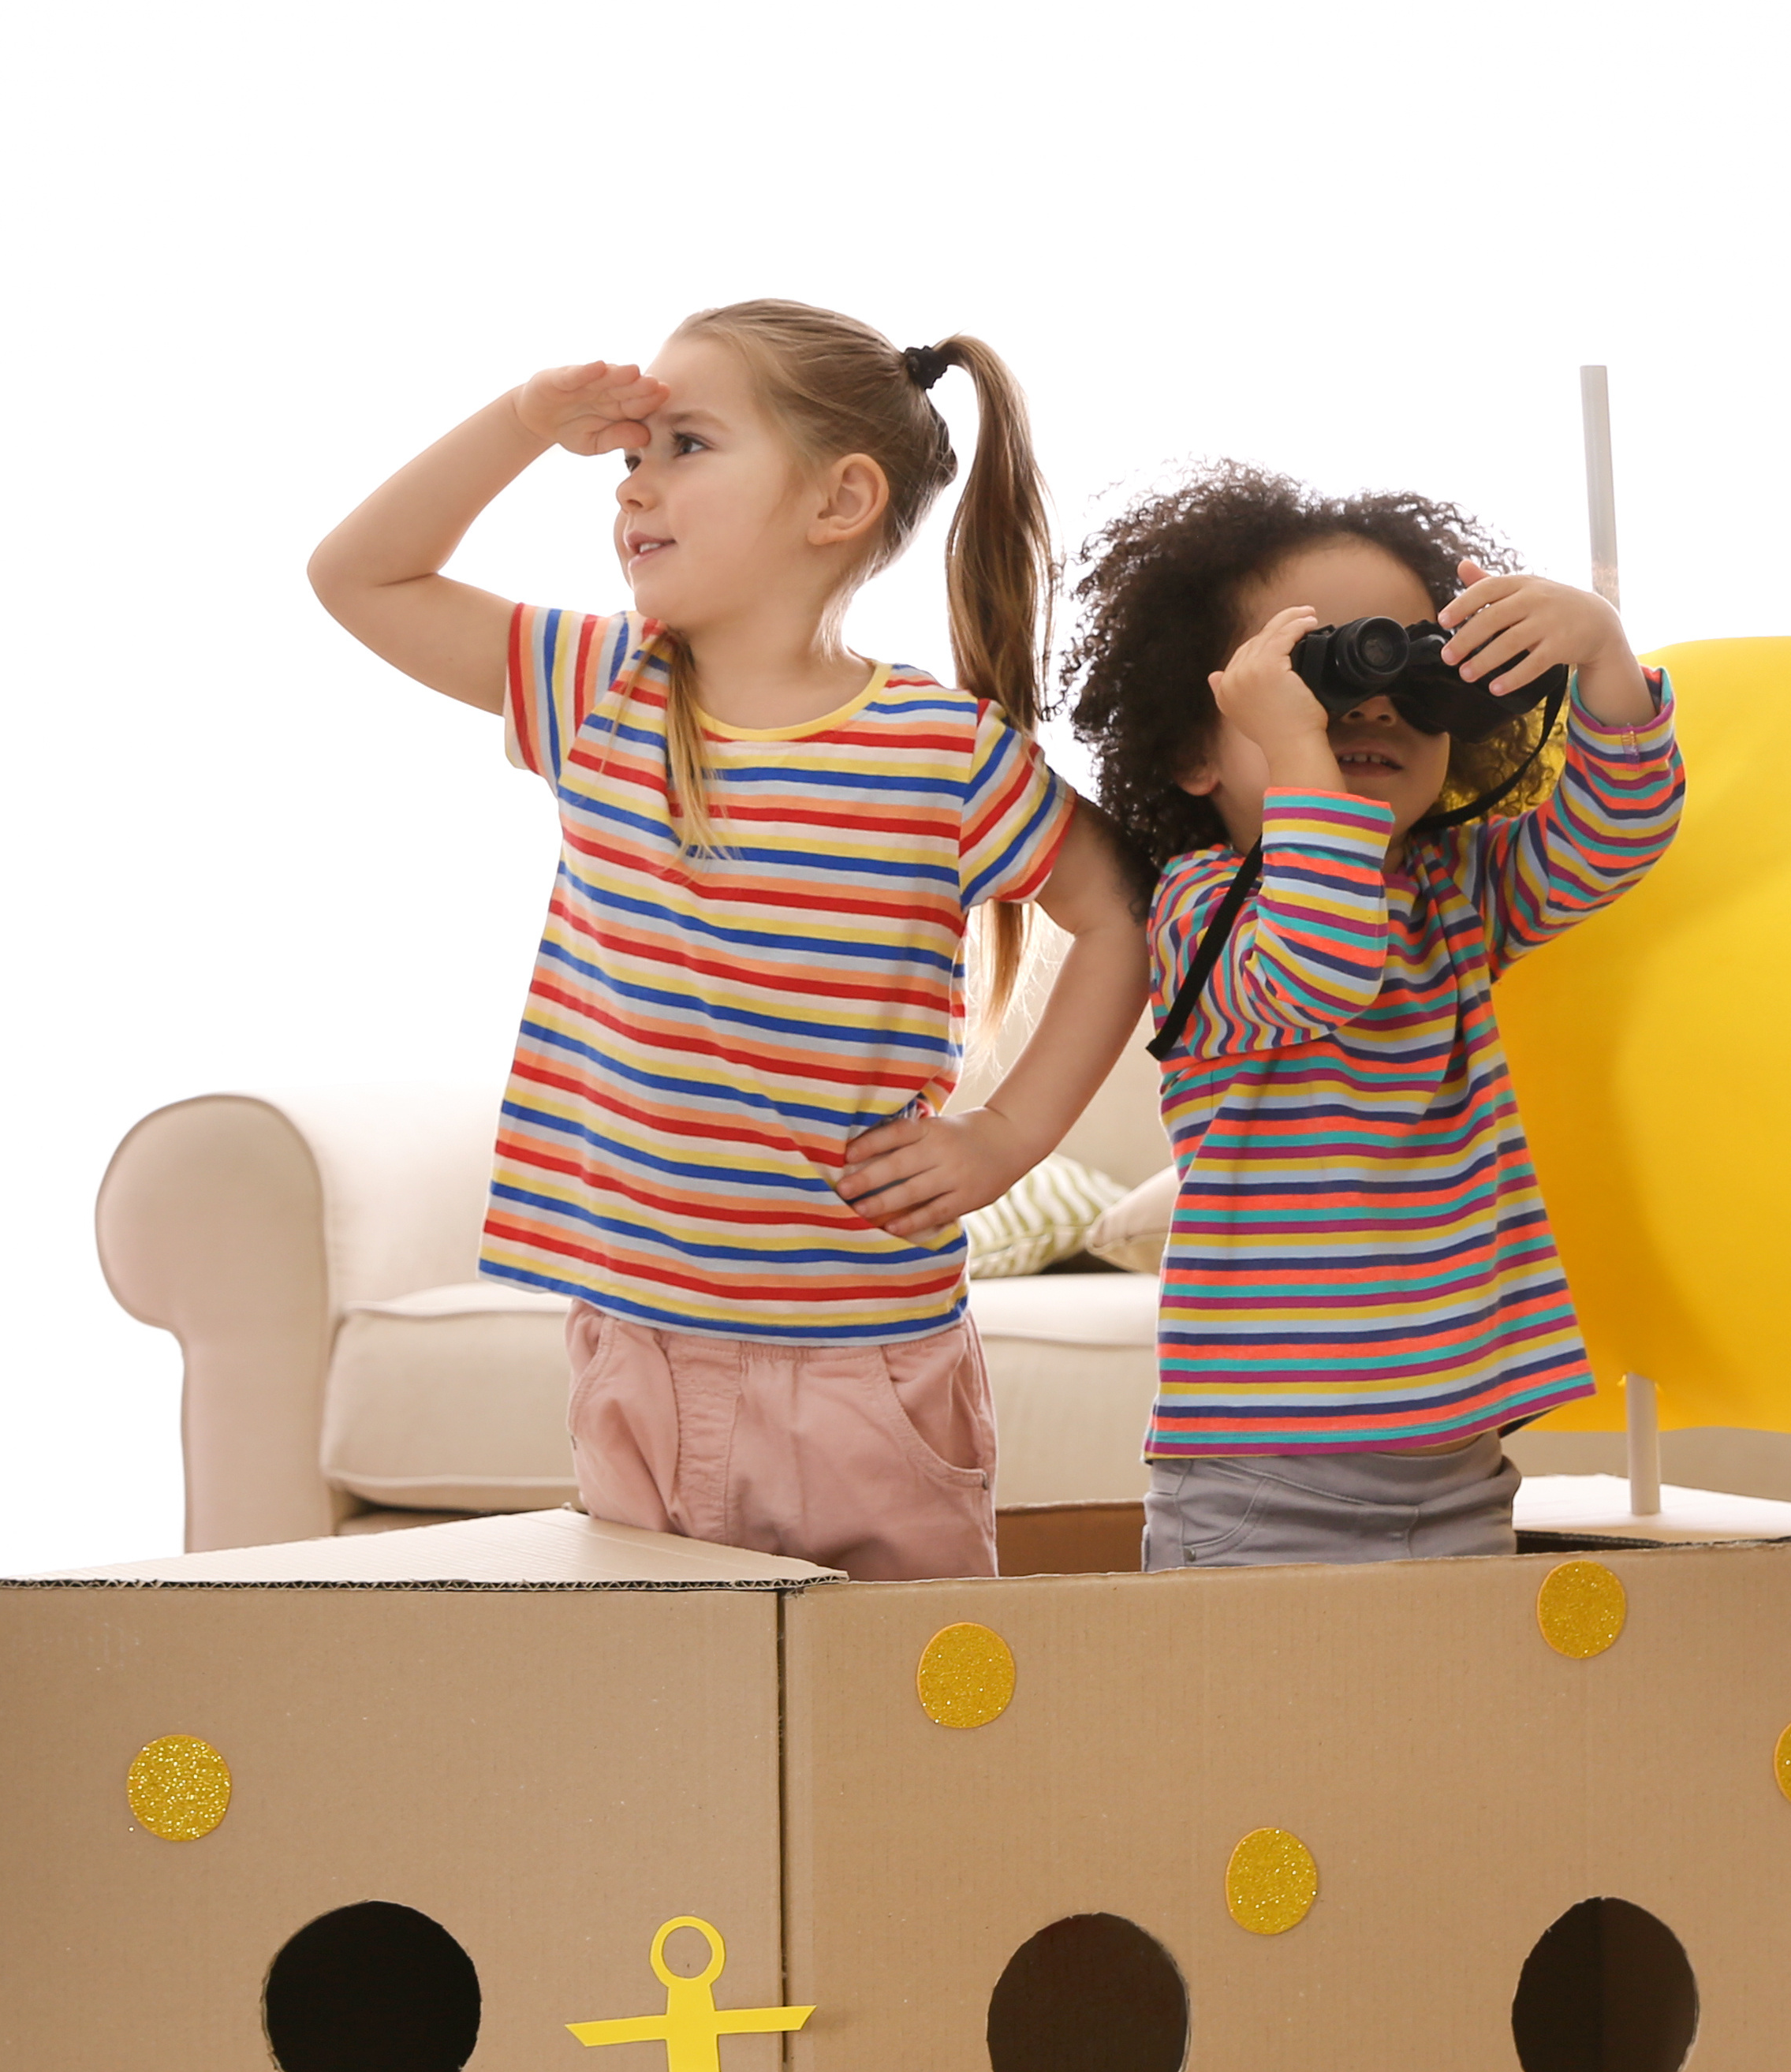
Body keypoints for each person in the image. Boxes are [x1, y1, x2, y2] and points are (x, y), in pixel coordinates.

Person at [308, 301, 1147, 1580]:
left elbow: (1115, 916)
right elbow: (357, 574)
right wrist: (524, 424)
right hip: (637, 1343)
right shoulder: (598, 687)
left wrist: (1007, 1136)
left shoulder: (941, 752)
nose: (632, 484)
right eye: (628, 457)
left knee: (900, 1716)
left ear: (840, 499)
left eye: (684, 444)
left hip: (870, 1352)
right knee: (671, 1722)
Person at [1062, 465, 1685, 1568]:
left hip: (1459, 1458)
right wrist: (1305, 761)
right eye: (1320, 669)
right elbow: (1315, 967)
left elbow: (1614, 830)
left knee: (1445, 1732)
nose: (1376, 698)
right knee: (1263, 1738)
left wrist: (1599, 654)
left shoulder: (1452, 891)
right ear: (1191, 747)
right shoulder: (1203, 909)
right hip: (1264, 1472)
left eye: (1412, 660)